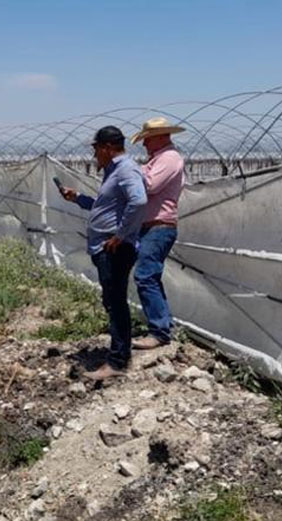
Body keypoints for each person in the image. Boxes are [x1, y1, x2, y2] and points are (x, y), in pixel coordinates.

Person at [58, 126, 148, 381]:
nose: (94, 154)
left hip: (116, 249)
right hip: (107, 248)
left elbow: (139, 201)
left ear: (108, 147)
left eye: (96, 148)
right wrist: (78, 199)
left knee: (116, 302)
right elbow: (106, 207)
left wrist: (121, 235)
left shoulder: (126, 169)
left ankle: (118, 361)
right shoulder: (114, 172)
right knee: (112, 300)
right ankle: (119, 352)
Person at [128, 117, 186, 349]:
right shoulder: (157, 159)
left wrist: (130, 172)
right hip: (151, 227)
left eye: (147, 139)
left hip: (159, 226)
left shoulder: (170, 158)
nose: (144, 144)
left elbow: (150, 185)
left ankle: (159, 332)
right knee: (150, 276)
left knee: (144, 276)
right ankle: (162, 325)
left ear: (161, 137)